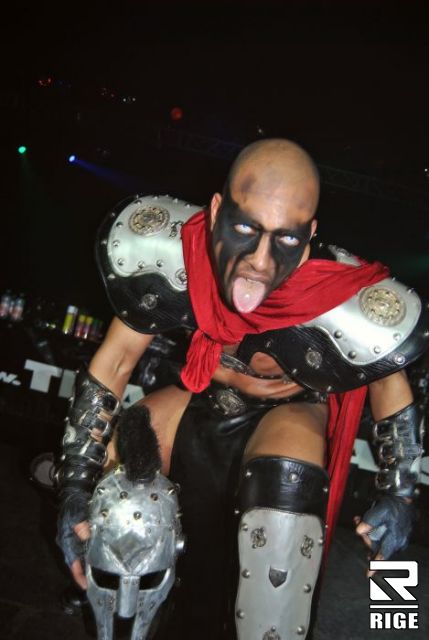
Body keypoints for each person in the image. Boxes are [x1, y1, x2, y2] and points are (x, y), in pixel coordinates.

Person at [55, 139, 427, 639]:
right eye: (246, 229)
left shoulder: (336, 289)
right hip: (200, 393)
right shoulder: (174, 250)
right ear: (216, 212)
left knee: (282, 512)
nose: (259, 260)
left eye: (286, 239)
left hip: (286, 410)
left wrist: (400, 495)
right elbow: (117, 358)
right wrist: (76, 486)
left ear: (310, 235)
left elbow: (387, 385)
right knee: (120, 501)